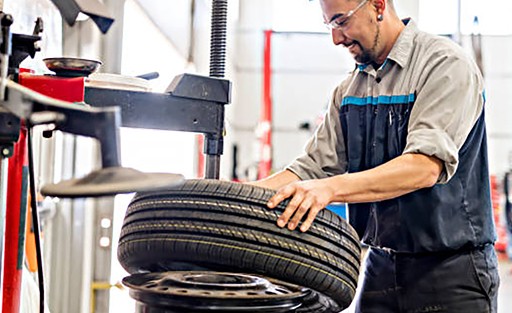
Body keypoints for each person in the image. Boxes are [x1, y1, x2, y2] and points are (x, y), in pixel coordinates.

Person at [251, 0, 500, 312]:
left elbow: (423, 167)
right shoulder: (350, 90)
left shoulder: (444, 65)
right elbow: (310, 169)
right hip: (380, 264)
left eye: (341, 21)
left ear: (378, 5)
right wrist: (231, 201)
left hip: (451, 269)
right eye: (329, 25)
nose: (336, 39)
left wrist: (330, 188)